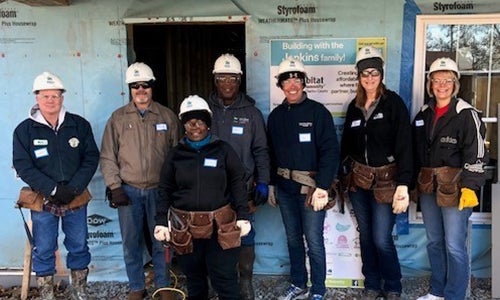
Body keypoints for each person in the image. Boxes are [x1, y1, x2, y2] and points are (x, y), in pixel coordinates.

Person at [153, 95, 251, 300]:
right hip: (185, 228)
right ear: (184, 125)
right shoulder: (175, 154)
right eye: (189, 121)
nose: (195, 126)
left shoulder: (223, 150)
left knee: (224, 279)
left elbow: (237, 182)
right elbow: (165, 188)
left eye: (200, 120)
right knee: (195, 280)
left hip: (220, 227)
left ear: (208, 123)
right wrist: (161, 221)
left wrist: (243, 215)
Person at [12, 71, 99, 300]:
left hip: (75, 196)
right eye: (46, 96)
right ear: (37, 98)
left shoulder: (79, 125)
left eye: (56, 95)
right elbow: (23, 165)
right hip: (43, 199)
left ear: (62, 97)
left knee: (79, 245)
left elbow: (91, 158)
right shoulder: (24, 130)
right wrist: (52, 189)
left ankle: (79, 290)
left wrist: (74, 187)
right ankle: (47, 294)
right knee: (44, 247)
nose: (51, 100)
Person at [100, 62, 181, 300]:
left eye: (145, 85)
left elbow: (177, 154)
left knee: (162, 241)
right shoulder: (117, 119)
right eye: (135, 86)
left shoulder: (167, 116)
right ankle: (137, 286)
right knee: (131, 243)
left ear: (152, 87)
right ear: (130, 88)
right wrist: (115, 187)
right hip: (129, 191)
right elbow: (107, 155)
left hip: (159, 191)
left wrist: (174, 187)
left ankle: (164, 286)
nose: (141, 90)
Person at [339, 45, 412, 300]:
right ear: (358, 76)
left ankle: (392, 285)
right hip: (359, 183)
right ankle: (371, 283)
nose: (369, 78)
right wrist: (342, 177)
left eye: (374, 72)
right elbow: (346, 146)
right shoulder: (354, 107)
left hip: (386, 182)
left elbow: (405, 145)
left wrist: (404, 184)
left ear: (381, 74)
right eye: (364, 73)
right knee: (367, 236)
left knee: (382, 238)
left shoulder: (394, 104)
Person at [413, 57, 487, 300]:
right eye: (436, 80)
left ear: (455, 84)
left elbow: (477, 153)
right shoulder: (424, 113)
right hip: (428, 187)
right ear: (430, 84)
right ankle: (437, 291)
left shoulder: (466, 114)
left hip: (455, 188)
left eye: (447, 80)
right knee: (434, 242)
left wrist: (470, 186)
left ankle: (454, 295)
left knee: (454, 246)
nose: (441, 85)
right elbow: (414, 150)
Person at [267, 57, 339, 300]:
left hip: (310, 191)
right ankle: (298, 284)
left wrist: (323, 187)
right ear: (281, 85)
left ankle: (318, 289)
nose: (292, 85)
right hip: (285, 190)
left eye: (297, 79)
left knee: (314, 241)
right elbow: (270, 152)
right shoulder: (276, 116)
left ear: (304, 82)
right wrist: (271, 185)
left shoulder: (318, 113)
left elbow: (330, 152)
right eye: (287, 80)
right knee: (293, 239)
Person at [207, 53, 270, 300]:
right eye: (222, 78)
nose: (227, 83)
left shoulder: (251, 113)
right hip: (211, 190)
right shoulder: (205, 110)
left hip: (243, 189)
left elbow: (261, 151)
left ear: (240, 79)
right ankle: (216, 283)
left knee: (245, 234)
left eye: (232, 78)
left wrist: (263, 182)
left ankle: (245, 281)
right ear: (215, 80)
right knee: (211, 236)